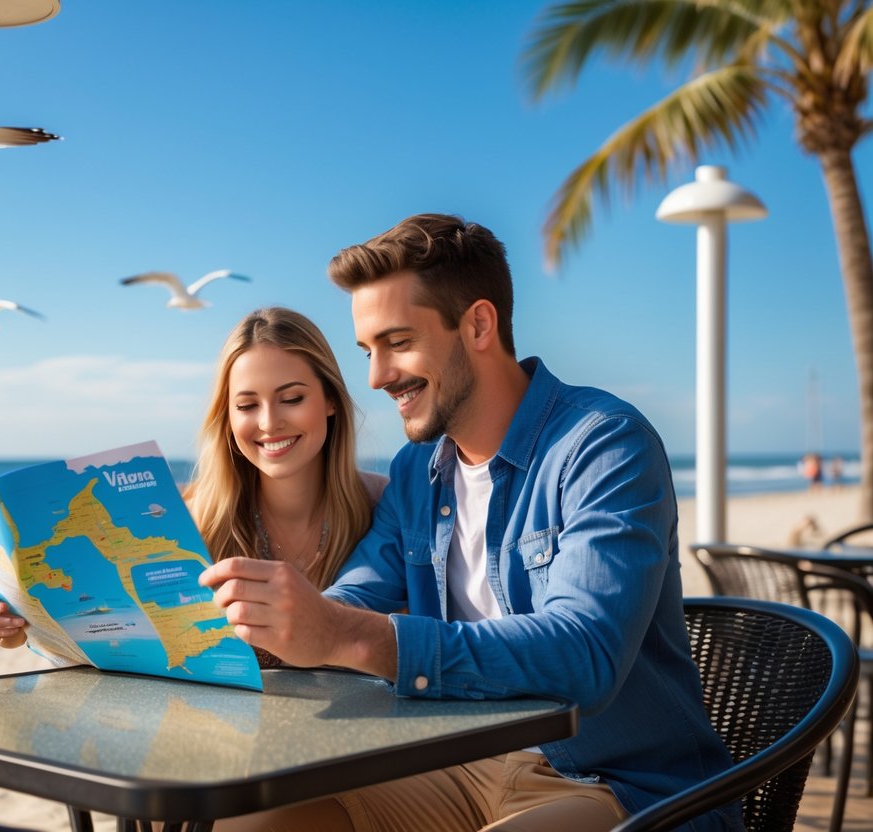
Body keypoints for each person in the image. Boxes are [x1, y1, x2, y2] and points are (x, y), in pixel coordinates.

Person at [201, 214, 741, 831]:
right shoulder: (415, 472)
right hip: (456, 764)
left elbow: (585, 653)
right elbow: (356, 593)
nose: (376, 377)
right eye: (367, 351)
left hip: (619, 787)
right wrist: (273, 628)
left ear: (479, 324)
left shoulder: (603, 446)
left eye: (397, 343)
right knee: (248, 822)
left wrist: (352, 637)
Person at [0, 306, 388, 656]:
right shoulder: (185, 522)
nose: (268, 422)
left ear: (331, 399)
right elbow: (124, 640)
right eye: (246, 404)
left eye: (292, 398)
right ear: (227, 417)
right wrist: (23, 626)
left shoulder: (384, 506)